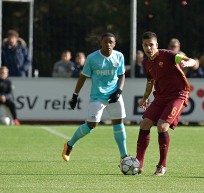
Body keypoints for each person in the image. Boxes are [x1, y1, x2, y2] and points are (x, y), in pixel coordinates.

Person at [135, 31, 196, 176]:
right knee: (144, 124)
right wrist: (144, 98)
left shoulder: (168, 55)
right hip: (160, 97)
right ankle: (138, 163)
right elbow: (150, 82)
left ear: (156, 45)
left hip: (178, 95)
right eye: (145, 45)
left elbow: (193, 61)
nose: (148, 48)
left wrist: (187, 63)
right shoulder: (147, 62)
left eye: (151, 45)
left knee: (162, 126)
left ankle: (162, 165)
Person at [62, 32, 128, 163]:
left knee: (118, 123)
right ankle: (69, 145)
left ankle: (124, 156)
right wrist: (75, 95)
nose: (108, 44)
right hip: (97, 96)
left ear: (114, 44)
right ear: (101, 43)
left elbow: (122, 75)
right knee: (91, 125)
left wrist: (119, 91)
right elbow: (83, 77)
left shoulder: (119, 56)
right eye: (105, 42)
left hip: (114, 95)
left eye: (111, 42)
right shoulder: (92, 58)